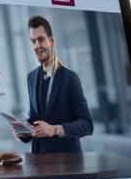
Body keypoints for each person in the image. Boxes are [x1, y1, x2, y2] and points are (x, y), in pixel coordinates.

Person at [23, 15, 93, 153]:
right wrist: (24, 132)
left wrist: (55, 129)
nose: (37, 46)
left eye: (41, 39)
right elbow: (35, 119)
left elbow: (87, 125)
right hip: (39, 162)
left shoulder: (70, 78)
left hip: (67, 163)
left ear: (51, 41)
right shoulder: (31, 77)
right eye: (33, 41)